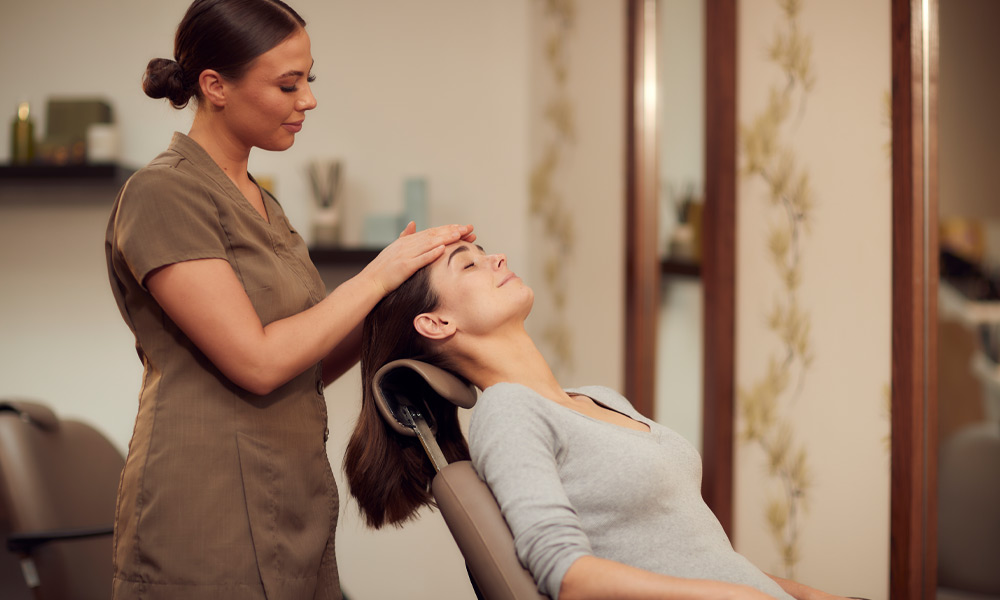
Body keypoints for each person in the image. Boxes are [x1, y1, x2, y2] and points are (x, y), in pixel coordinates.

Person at [104, 1, 474, 598]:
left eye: (309, 79)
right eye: (287, 83)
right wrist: (374, 278)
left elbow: (305, 367)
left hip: (292, 497)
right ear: (214, 86)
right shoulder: (163, 193)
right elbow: (256, 360)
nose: (308, 100)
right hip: (204, 509)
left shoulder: (262, 204)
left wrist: (403, 295)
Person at [345, 240, 861, 600]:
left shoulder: (597, 398)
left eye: (486, 251)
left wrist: (810, 594)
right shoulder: (509, 413)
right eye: (469, 265)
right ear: (437, 322)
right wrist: (730, 595)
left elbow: (696, 553)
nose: (496, 257)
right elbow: (567, 577)